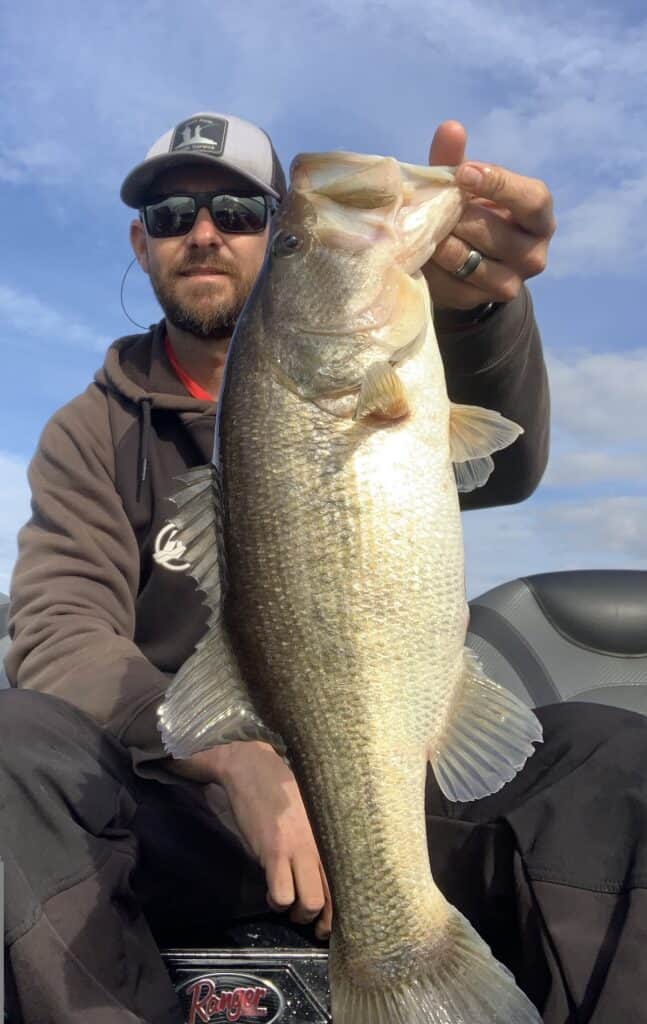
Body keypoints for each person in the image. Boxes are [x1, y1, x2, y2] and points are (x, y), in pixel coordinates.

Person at [2, 110, 642, 1024]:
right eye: (175, 215)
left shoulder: (390, 369)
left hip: (386, 783)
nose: (206, 232)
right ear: (142, 245)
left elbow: (504, 462)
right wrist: (236, 760)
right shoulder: (89, 432)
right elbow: (61, 631)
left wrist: (479, 306)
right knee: (8, 750)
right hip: (189, 806)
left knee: (613, 764)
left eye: (242, 211)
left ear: (266, 236)